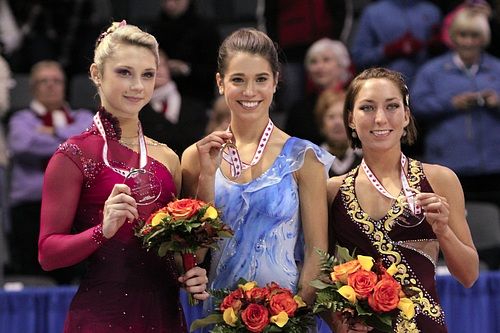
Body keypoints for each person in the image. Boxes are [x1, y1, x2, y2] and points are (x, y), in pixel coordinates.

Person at [38, 21, 208, 332]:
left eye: (147, 74)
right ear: (96, 74)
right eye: (124, 72)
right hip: (103, 318)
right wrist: (102, 231)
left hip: (165, 317)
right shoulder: (73, 156)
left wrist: (189, 273)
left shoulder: (167, 157)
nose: (137, 86)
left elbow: (175, 251)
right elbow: (48, 254)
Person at [181, 27, 334, 331]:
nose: (250, 91)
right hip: (216, 317)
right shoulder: (196, 157)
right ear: (220, 83)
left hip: (287, 319)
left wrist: (294, 315)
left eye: (261, 79)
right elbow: (192, 256)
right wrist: (208, 176)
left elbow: (318, 253)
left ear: (276, 82)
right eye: (238, 79)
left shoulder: (304, 158)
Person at [327, 68, 479, 332]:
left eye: (392, 106)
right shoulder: (331, 190)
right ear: (351, 119)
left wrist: (443, 231)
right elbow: (318, 274)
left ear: (406, 115)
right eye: (367, 108)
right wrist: (336, 322)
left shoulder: (441, 179)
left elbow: (468, 275)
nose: (380, 118)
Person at [6, 60, 93, 282]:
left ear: (64, 85)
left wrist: (50, 131)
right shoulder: (20, 119)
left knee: (77, 276)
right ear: (33, 87)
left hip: (76, 207)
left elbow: (90, 144)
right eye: (43, 81)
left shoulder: (84, 116)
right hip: (31, 209)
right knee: (34, 276)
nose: (51, 86)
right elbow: (23, 145)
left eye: (56, 81)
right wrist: (69, 138)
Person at [411, 7, 500, 211]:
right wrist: (450, 103)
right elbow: (415, 106)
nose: (468, 41)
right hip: (449, 164)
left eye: (475, 35)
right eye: (462, 34)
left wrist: (497, 102)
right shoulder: (432, 71)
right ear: (452, 36)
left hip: (494, 166)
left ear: (484, 38)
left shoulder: (497, 69)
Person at [350, 0, 441, 83]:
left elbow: (446, 58)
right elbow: (359, 57)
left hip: (426, 83)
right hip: (385, 84)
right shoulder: (373, 13)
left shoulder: (432, 12)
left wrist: (435, 47)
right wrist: (387, 51)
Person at [149, 0, 220, 107]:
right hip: (159, 99)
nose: (170, 4)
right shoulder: (155, 30)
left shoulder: (206, 29)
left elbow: (214, 69)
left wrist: (187, 69)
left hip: (198, 99)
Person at [139, 48, 207, 155]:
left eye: (162, 65)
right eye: (152, 67)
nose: (159, 70)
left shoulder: (194, 108)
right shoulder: (138, 111)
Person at [285, 37, 352, 144]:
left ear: (342, 65)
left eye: (326, 60)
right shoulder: (298, 110)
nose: (319, 67)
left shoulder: (356, 101)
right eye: (313, 62)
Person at [315, 90, 362, 177]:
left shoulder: (366, 160)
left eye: (342, 116)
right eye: (331, 117)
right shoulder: (313, 160)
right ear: (322, 124)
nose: (337, 123)